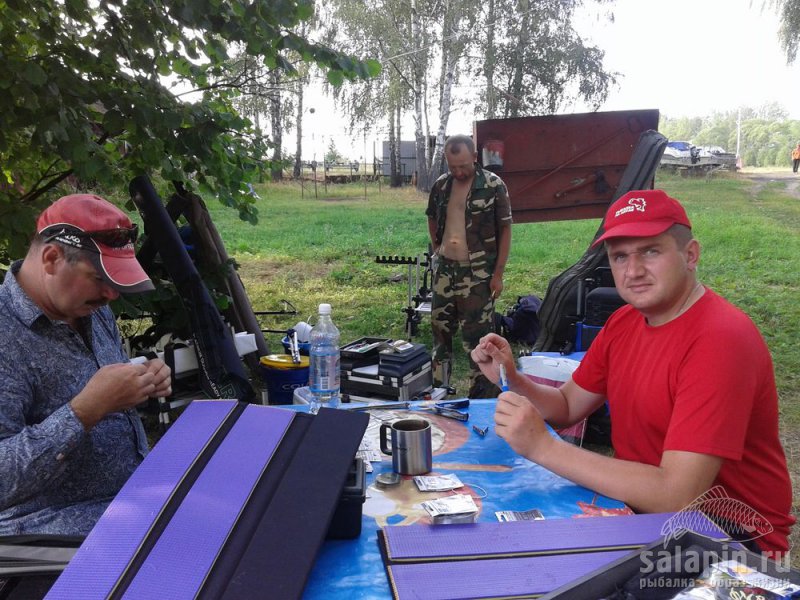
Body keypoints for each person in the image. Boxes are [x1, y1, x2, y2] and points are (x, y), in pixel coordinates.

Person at [472, 189, 794, 554]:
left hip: (729, 535)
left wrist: (543, 447)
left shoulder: (721, 340)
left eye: (651, 251)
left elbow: (677, 494)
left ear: (690, 255)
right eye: (620, 256)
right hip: (645, 507)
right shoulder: (625, 322)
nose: (633, 271)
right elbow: (566, 406)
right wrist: (510, 378)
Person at [0, 194, 172, 536]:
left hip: (130, 497)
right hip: (47, 531)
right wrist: (85, 411)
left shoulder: (88, 308)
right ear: (51, 258)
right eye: (99, 278)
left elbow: (112, 398)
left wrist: (142, 386)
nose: (112, 295)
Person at [426, 134, 513, 398]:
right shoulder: (441, 186)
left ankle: (483, 399)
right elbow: (432, 218)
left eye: (463, 165)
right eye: (453, 166)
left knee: (480, 338)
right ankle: (439, 391)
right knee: (440, 330)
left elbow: (505, 229)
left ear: (475, 157)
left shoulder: (493, 185)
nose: (459, 171)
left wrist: (497, 274)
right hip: (446, 271)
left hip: (477, 274)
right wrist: (438, 248)